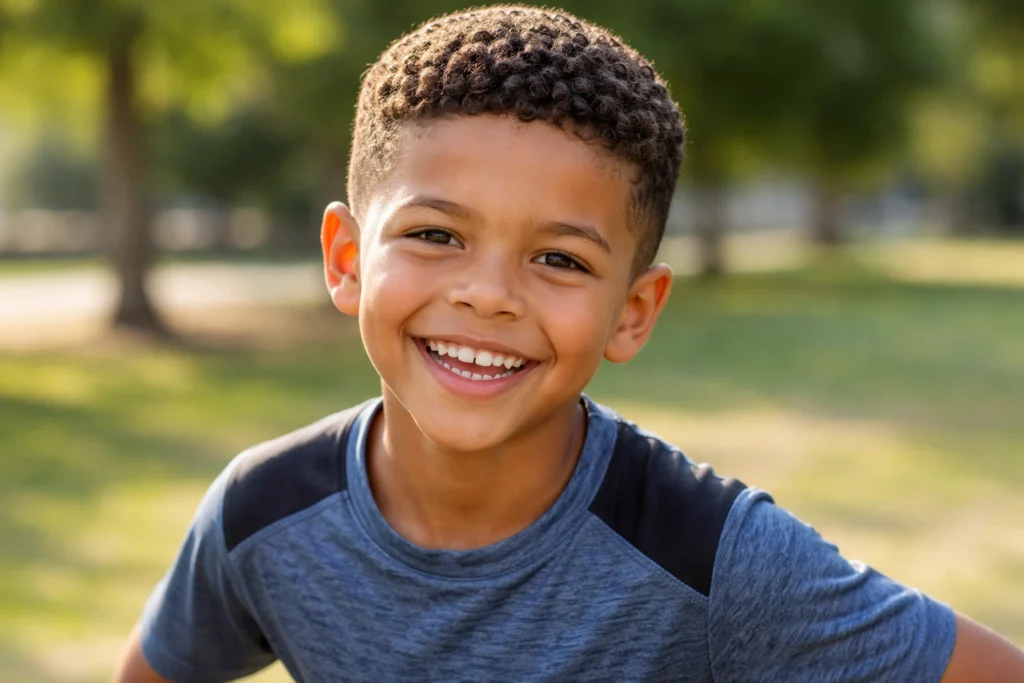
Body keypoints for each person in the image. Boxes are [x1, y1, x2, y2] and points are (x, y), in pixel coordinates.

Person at [115, 5, 1024, 682]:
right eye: (435, 234)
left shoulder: (711, 555)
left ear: (634, 310)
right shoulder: (262, 513)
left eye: (559, 258)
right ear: (346, 259)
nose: (488, 294)